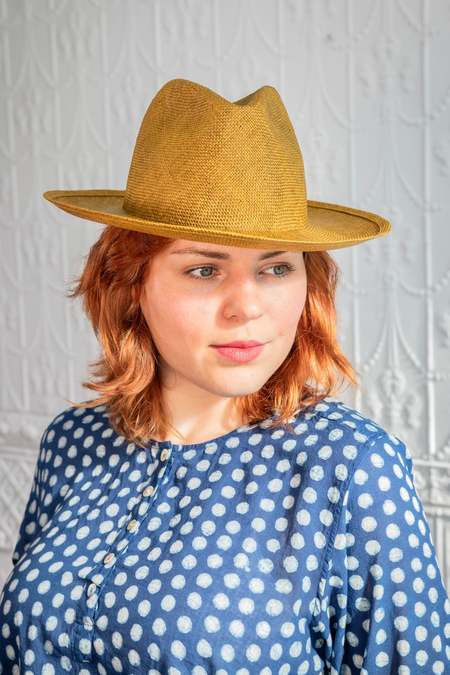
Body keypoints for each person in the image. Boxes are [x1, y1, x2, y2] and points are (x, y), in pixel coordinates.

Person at [0, 78, 448, 674]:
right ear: (130, 284)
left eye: (276, 268)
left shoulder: (350, 466)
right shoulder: (72, 442)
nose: (247, 307)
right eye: (205, 270)